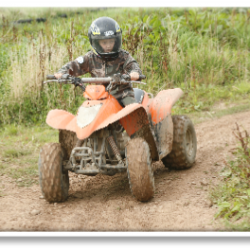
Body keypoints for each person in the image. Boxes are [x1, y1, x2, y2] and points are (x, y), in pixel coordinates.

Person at [54, 16, 143, 107]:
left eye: (111, 42)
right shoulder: (90, 58)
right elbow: (75, 65)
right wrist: (62, 73)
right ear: (96, 42)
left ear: (116, 41)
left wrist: (134, 73)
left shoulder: (123, 56)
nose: (108, 45)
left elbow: (133, 66)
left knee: (132, 109)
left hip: (122, 94)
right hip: (97, 95)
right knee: (85, 112)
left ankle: (139, 119)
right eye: (104, 43)